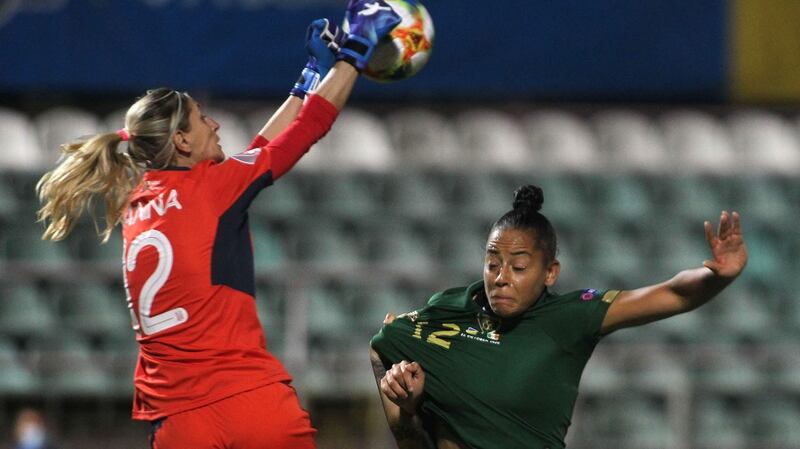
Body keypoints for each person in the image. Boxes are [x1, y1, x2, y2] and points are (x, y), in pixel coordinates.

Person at [35, 2, 401, 448]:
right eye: (202, 118)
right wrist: (354, 55)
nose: (215, 122)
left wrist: (307, 79)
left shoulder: (137, 203)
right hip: (251, 405)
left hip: (177, 425)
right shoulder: (214, 188)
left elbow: (255, 154)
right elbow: (306, 132)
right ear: (182, 141)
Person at [370, 185, 748, 449]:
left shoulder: (571, 317)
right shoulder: (445, 312)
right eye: (492, 263)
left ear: (550, 272)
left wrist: (718, 276)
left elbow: (671, 292)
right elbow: (384, 349)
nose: (501, 278)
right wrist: (405, 408)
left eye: (518, 266)